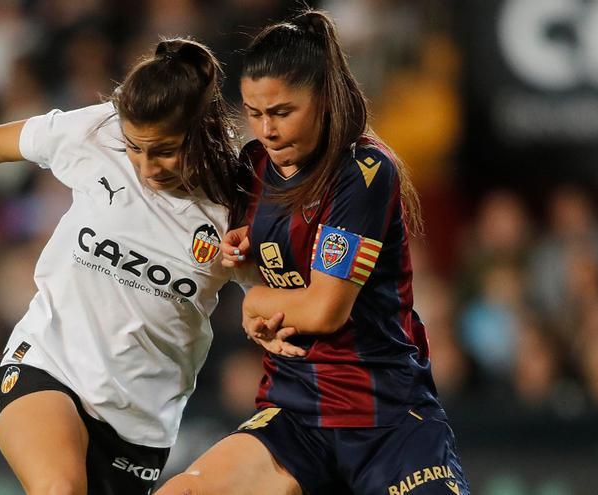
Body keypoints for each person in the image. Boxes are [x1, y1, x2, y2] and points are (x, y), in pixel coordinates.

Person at [0, 38, 260, 495]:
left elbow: (267, 297)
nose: (146, 166)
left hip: (140, 424)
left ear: (200, 128)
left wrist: (264, 314)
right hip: (47, 364)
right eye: (136, 147)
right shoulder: (96, 133)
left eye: (165, 150)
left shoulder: (236, 203)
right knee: (59, 488)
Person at [157, 10, 469, 495]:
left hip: (385, 419)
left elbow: (325, 309)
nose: (267, 129)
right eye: (254, 113)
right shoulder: (254, 165)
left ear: (323, 99)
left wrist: (257, 304)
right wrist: (246, 259)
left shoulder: (362, 171)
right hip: (294, 414)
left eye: (282, 112)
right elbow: (264, 258)